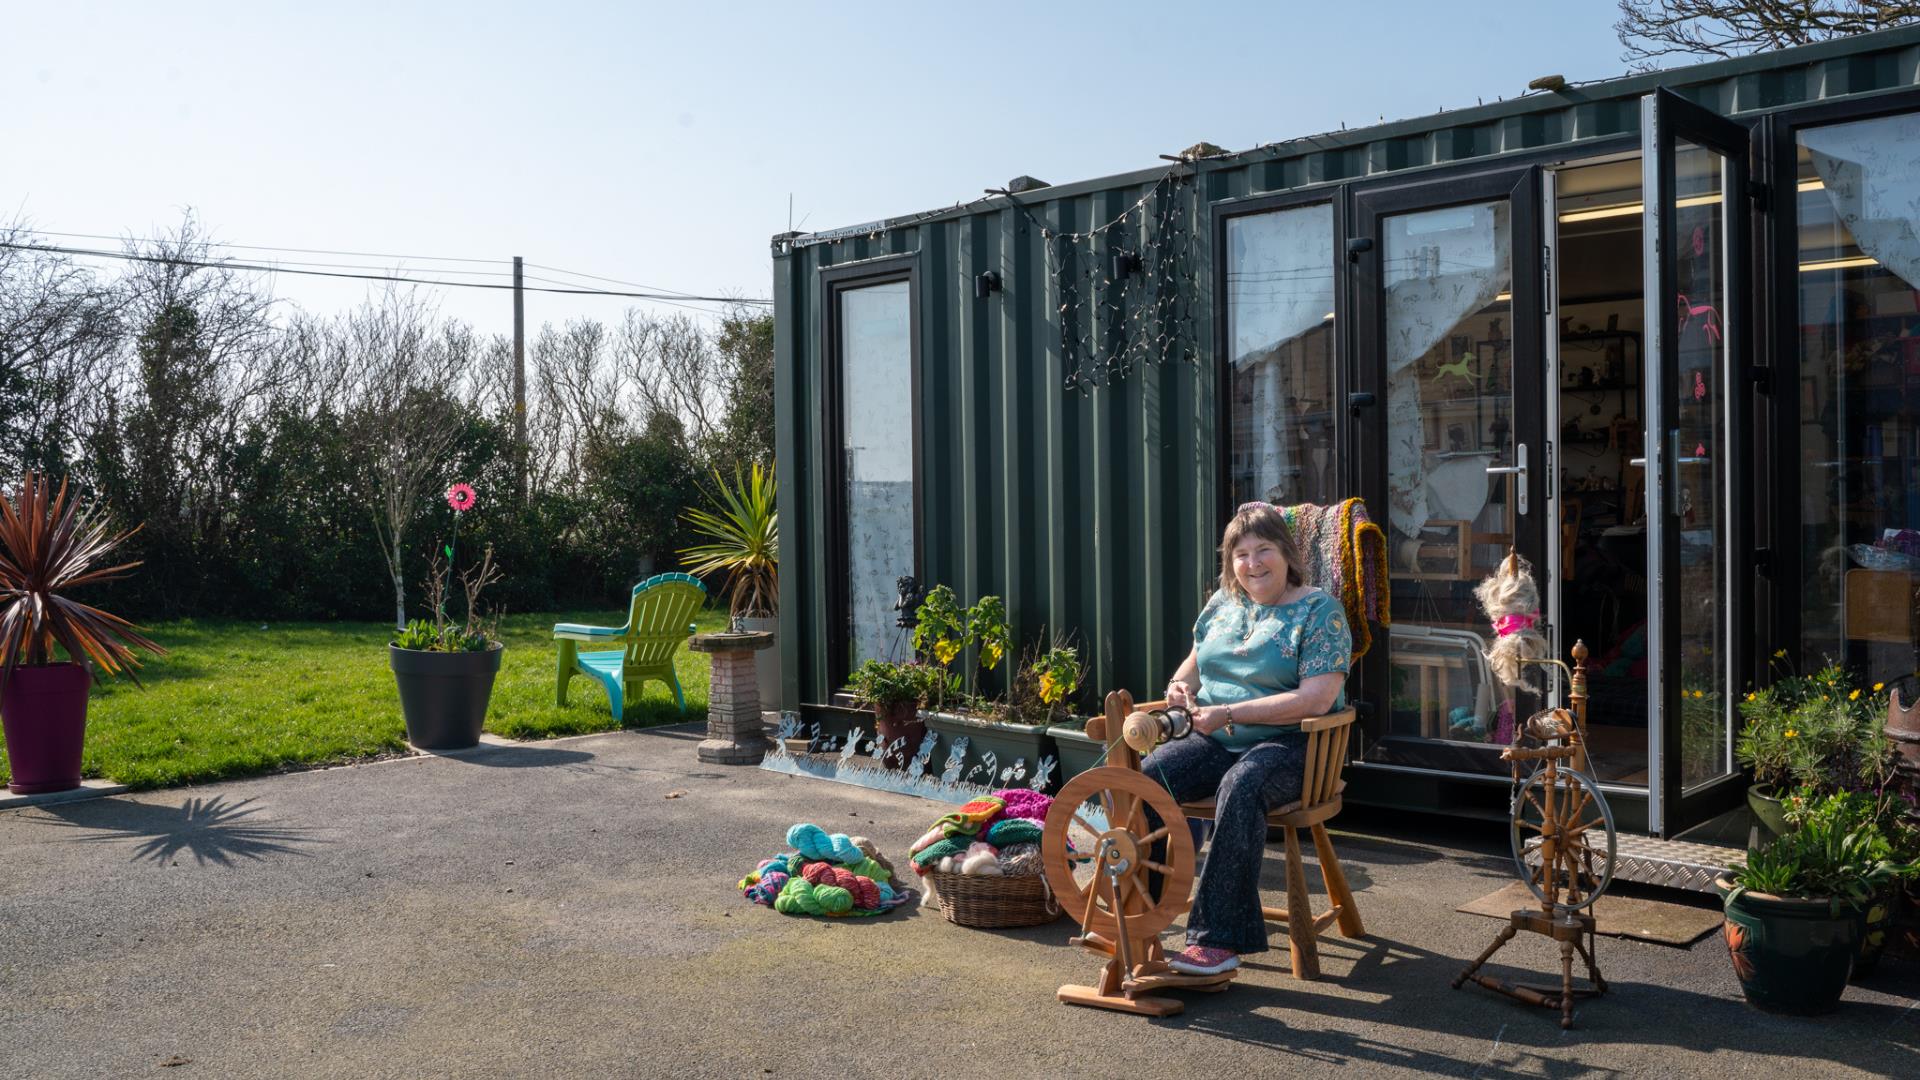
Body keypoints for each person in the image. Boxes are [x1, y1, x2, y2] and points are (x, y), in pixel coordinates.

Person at [1145, 501, 1352, 976]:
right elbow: (1192, 669)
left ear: (1287, 553)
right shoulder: (1222, 603)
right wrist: (1178, 690)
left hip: (1294, 745)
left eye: (1263, 550)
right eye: (1240, 554)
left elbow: (1317, 700)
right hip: (1217, 738)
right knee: (1148, 776)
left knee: (1241, 785)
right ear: (1229, 562)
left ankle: (1218, 940)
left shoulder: (1319, 611)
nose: (1252, 563)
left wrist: (1230, 712)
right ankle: (1144, 912)